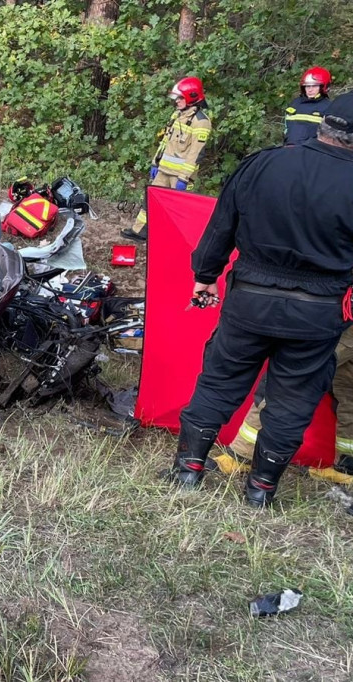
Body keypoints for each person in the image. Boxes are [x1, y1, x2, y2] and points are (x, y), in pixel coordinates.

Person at [168, 92, 353, 508]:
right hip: (318, 313)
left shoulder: (264, 162)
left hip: (249, 299)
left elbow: (221, 226)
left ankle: (188, 470)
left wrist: (205, 276)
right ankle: (261, 490)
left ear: (322, 123)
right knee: (293, 398)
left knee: (219, 381)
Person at [215, 327, 353, 485]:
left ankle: (242, 456)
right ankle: (348, 467)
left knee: (288, 379)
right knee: (348, 386)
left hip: (341, 322)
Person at [122, 77, 212, 242]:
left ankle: (174, 240)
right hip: (163, 170)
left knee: (177, 211)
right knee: (150, 201)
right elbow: (166, 141)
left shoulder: (201, 123)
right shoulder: (177, 115)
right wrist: (156, 162)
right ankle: (140, 232)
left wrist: (184, 179)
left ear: (191, 97)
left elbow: (195, 155)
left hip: (180, 177)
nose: (176, 101)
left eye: (180, 98)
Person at [284, 67, 331, 146]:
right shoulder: (295, 104)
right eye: (307, 86)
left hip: (312, 153)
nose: (310, 90)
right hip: (290, 150)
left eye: (314, 86)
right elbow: (287, 129)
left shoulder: (328, 107)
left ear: (323, 87)